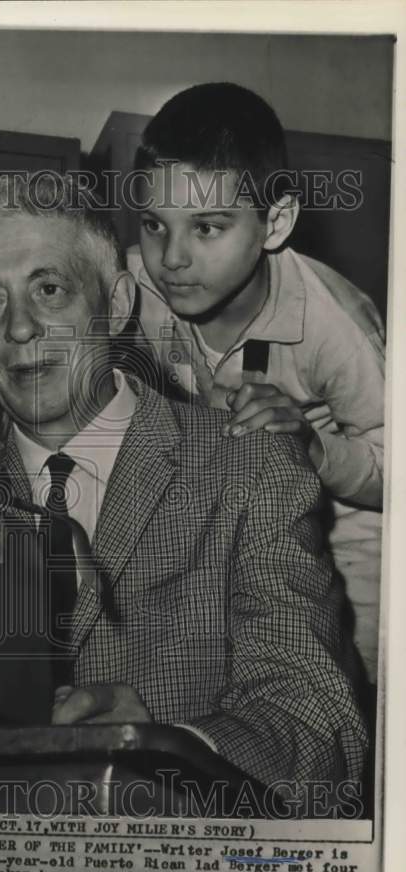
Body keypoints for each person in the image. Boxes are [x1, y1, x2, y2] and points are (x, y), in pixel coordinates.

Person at [0, 172, 367, 791]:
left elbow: (322, 732)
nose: (18, 329)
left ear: (117, 305)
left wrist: (163, 752)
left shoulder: (251, 469)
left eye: (50, 290)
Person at [127, 82, 384, 687]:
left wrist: (313, 446)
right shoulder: (134, 290)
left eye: (207, 227)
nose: (172, 259)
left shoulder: (335, 323)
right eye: (154, 225)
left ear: (276, 221)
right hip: (231, 526)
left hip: (352, 546)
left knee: (345, 712)